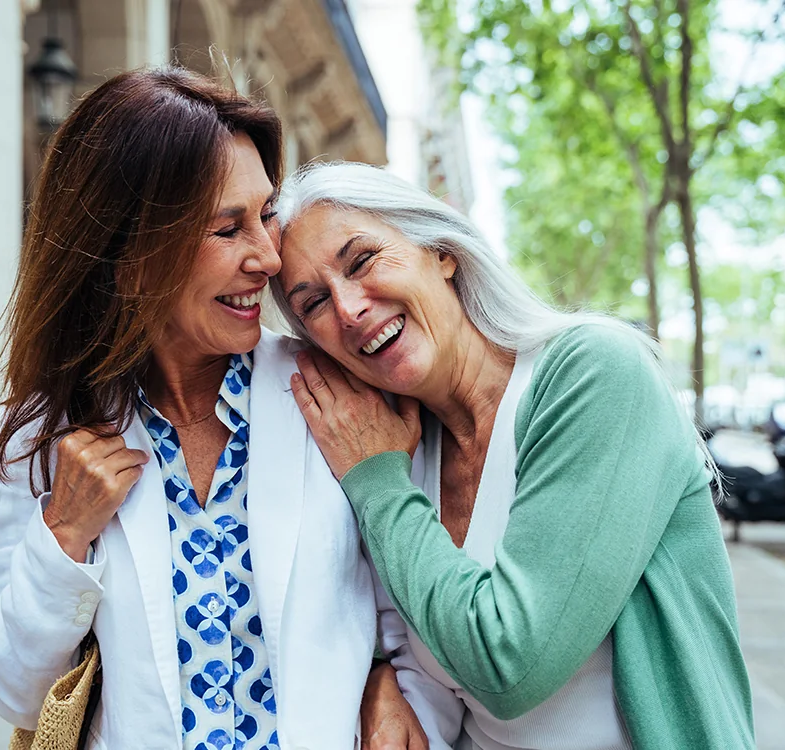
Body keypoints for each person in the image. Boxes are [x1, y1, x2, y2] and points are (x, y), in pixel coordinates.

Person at [0, 70, 429, 750]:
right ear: (128, 257)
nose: (268, 258)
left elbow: (412, 609)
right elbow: (10, 691)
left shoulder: (334, 392)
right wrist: (62, 536)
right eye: (227, 228)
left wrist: (389, 678)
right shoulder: (48, 433)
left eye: (264, 214)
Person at [270, 162, 756, 749]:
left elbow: (510, 665)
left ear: (441, 252)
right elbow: (388, 627)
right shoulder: (398, 442)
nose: (349, 308)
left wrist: (377, 484)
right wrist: (378, 675)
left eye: (362, 260)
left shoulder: (593, 374)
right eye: (314, 301)